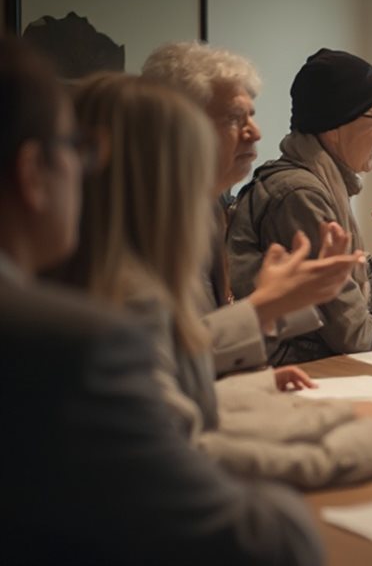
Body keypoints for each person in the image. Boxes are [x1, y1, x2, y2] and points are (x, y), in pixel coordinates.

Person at [0, 37, 321, 565]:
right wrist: (264, 309)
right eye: (75, 150)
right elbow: (182, 430)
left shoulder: (218, 210)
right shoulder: (89, 332)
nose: (257, 132)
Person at [66, 73, 372, 489]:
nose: (256, 132)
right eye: (231, 119)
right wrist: (360, 438)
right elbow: (182, 450)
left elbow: (175, 389)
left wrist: (336, 408)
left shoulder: (125, 266)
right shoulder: (114, 289)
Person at [142, 42, 357, 382]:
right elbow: (157, 368)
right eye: (233, 118)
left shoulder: (209, 207)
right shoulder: (143, 220)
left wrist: (259, 381)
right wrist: (268, 306)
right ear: (179, 124)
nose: (255, 132)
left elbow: (198, 361)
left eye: (251, 116)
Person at [228, 48, 372, 364]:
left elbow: (350, 305)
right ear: (335, 124)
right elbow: (352, 334)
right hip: (295, 380)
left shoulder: (320, 185)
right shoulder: (301, 194)